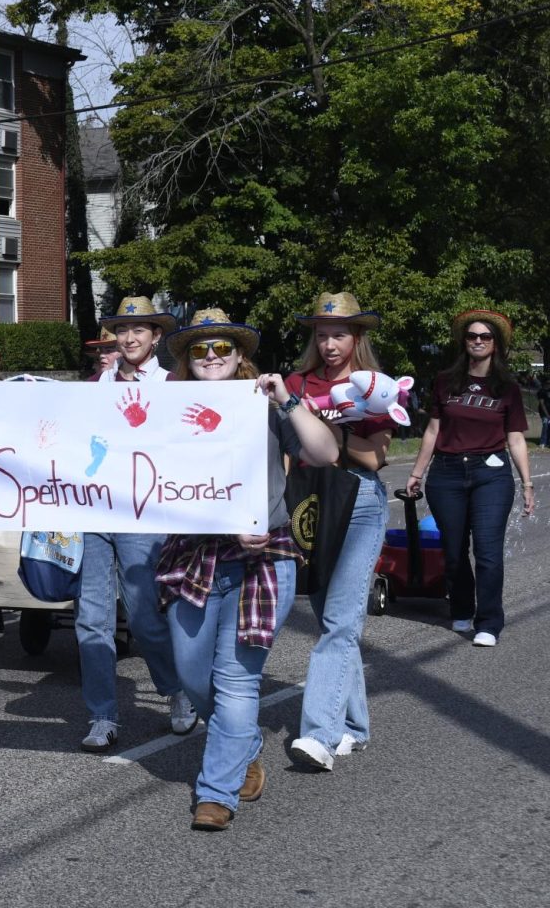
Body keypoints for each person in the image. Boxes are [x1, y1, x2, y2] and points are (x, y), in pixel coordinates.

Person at [156, 309, 339, 831]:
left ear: (239, 356)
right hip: (193, 557)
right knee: (192, 675)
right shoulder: (167, 410)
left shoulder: (266, 404)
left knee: (237, 682)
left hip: (263, 560)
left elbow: (325, 452)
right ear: (188, 361)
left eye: (222, 348)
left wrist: (287, 398)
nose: (211, 356)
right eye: (200, 349)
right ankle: (244, 744)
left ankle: (216, 793)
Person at [76, 296, 195, 751]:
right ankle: (102, 715)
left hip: (142, 510)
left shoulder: (171, 384)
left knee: (145, 616)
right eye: (123, 330)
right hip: (92, 509)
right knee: (91, 618)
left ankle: (175, 691)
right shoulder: (98, 384)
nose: (128, 338)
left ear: (156, 336)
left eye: (139, 330)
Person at [283, 291, 394, 771]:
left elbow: (376, 457)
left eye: (340, 334)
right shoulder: (296, 382)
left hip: (360, 499)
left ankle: (321, 734)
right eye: (323, 334)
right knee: (332, 616)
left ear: (356, 337)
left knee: (340, 622)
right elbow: (288, 450)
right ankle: (356, 727)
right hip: (310, 499)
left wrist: (332, 437)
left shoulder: (374, 387)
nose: (330, 344)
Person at [405, 309, 534, 648]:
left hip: (490, 473)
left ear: (496, 344)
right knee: (454, 551)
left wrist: (528, 483)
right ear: (464, 341)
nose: (478, 341)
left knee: (488, 552)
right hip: (446, 474)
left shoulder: (507, 388)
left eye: (485, 337)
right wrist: (417, 472)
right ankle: (461, 608)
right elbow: (433, 430)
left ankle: (489, 621)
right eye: (472, 336)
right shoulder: (446, 381)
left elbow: (516, 438)